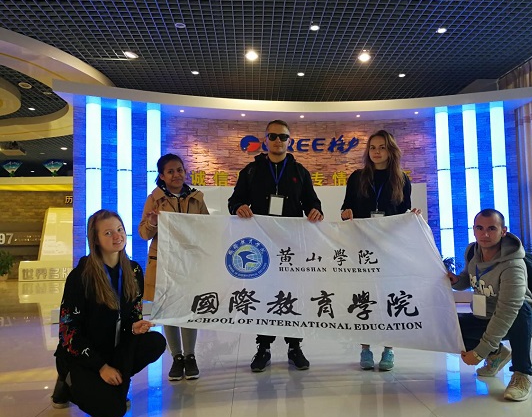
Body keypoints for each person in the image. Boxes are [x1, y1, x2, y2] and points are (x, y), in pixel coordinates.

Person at [51, 210, 166, 417]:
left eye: (120, 229)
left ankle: (115, 384)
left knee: (156, 342)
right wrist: (101, 367)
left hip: (114, 350)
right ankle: (67, 381)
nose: (117, 236)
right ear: (95, 240)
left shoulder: (133, 271)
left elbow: (132, 316)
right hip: (84, 355)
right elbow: (68, 333)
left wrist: (134, 327)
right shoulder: (81, 276)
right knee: (113, 412)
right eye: (108, 233)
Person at [228, 119, 324, 372]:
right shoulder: (251, 171)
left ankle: (295, 346)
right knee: (263, 294)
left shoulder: (300, 172)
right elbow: (234, 201)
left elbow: (312, 202)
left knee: (293, 294)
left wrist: (315, 211)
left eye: (283, 137)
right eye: (273, 136)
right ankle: (263, 347)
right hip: (260, 247)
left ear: (289, 141)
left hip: (292, 246)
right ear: (265, 140)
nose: (278, 141)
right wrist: (238, 207)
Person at [341, 129, 420, 371]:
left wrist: (412, 216)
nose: (376, 152)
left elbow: (404, 212)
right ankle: (365, 348)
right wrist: (346, 213)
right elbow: (346, 208)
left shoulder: (401, 179)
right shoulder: (357, 177)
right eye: (372, 147)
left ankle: (389, 349)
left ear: (390, 150)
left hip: (390, 249)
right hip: (362, 246)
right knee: (364, 297)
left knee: (389, 297)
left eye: (382, 147)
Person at [447, 208, 532, 401]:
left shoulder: (513, 265)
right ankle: (497, 354)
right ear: (474, 230)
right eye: (480, 228)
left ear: (503, 231)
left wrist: (480, 352)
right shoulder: (472, 251)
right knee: (450, 324)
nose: (485, 234)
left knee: (521, 310)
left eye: (492, 228)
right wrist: (456, 281)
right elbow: (469, 277)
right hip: (485, 316)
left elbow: (507, 311)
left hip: (518, 321)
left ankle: (521, 375)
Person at [138, 153, 209, 381]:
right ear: (162, 176)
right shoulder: (154, 199)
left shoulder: (197, 198)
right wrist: (152, 222)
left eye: (179, 170)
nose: (176, 175)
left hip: (189, 263)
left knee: (189, 309)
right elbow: (143, 233)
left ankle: (190, 356)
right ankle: (177, 357)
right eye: (170, 171)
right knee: (168, 311)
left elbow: (207, 228)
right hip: (164, 263)